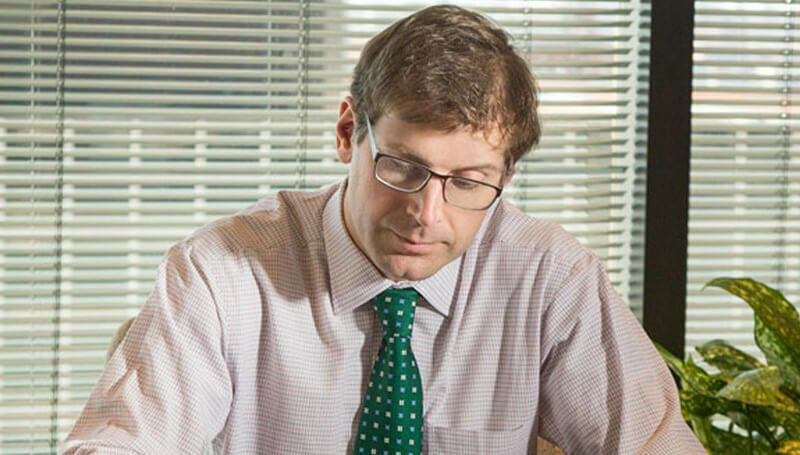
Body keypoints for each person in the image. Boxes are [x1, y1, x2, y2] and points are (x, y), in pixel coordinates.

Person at [62, 5, 705, 454]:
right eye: (403, 167)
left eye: (469, 182)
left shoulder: (551, 279)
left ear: (506, 174)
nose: (427, 214)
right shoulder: (221, 271)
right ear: (349, 133)